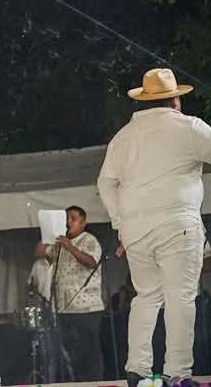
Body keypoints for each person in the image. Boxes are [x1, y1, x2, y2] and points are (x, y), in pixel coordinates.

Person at [98, 67, 211, 387]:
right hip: (177, 224)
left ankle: (138, 370)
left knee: (146, 296)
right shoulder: (188, 128)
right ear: (175, 100)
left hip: (136, 230)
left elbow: (105, 183)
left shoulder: (123, 137)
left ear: (146, 101)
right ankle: (178, 374)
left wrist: (121, 224)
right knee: (180, 298)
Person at [33, 205, 104, 382]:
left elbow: (91, 262)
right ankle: (79, 383)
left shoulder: (89, 240)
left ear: (83, 222)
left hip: (87, 308)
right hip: (65, 308)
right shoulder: (59, 244)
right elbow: (39, 252)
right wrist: (48, 234)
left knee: (90, 352)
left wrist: (69, 246)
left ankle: (95, 383)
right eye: (66, 219)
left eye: (73, 218)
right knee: (72, 353)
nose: (68, 222)